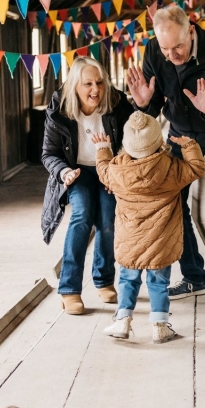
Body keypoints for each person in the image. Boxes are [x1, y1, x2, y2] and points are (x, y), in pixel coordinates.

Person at [126, 6, 205, 312]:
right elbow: (152, 103)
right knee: (172, 201)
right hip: (181, 130)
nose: (173, 55)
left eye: (178, 47)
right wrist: (143, 105)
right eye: (166, 49)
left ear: (190, 30)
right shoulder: (155, 50)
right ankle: (194, 275)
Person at [92, 112, 205, 342]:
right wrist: (189, 145)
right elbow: (196, 168)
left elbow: (102, 170)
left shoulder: (117, 171)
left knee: (127, 280)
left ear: (126, 143)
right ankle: (160, 327)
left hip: (129, 241)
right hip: (160, 242)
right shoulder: (171, 169)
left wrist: (103, 148)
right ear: (158, 141)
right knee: (159, 282)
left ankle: (122, 322)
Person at [41, 57, 134, 314]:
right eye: (88, 84)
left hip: (108, 168)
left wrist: (119, 170)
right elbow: (49, 153)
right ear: (75, 87)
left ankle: (104, 280)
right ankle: (69, 289)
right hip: (76, 171)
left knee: (107, 219)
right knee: (81, 216)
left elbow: (134, 139)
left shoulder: (116, 103)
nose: (96, 90)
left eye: (100, 83)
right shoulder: (59, 109)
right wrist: (64, 172)